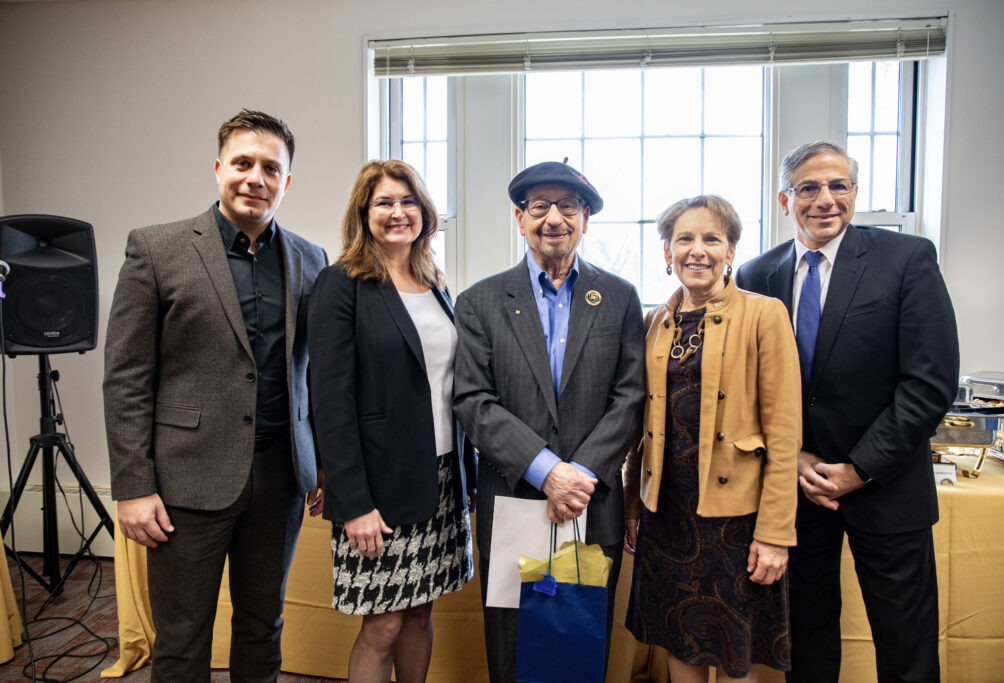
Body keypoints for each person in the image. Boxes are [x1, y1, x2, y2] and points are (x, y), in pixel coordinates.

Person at [103, 109, 328, 681]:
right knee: (181, 640)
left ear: (287, 181)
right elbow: (127, 376)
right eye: (243, 163)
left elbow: (315, 372)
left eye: (271, 168)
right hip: (186, 483)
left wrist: (321, 462)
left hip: (280, 480)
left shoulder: (310, 258)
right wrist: (133, 487)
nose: (256, 178)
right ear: (218, 168)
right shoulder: (156, 249)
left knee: (262, 626)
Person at [735, 141, 959, 682]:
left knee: (906, 647)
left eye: (839, 186)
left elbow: (930, 383)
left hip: (886, 487)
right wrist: (791, 459)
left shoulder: (907, 259)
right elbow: (744, 390)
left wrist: (859, 468)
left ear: (855, 193)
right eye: (809, 187)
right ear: (786, 199)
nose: (825, 199)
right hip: (796, 493)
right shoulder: (755, 274)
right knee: (806, 646)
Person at [453, 160, 645, 682]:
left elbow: (630, 397)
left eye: (568, 206)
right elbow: (473, 400)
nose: (553, 218)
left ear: (586, 218)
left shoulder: (621, 298)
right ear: (520, 219)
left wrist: (577, 474)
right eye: (540, 207)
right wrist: (546, 471)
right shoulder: (479, 302)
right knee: (514, 651)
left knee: (579, 646)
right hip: (515, 500)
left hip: (591, 502)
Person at [307, 159, 475, 683]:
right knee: (382, 623)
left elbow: (451, 386)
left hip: (442, 478)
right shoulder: (341, 284)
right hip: (378, 487)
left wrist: (466, 474)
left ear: (424, 213)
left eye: (408, 202)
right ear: (364, 213)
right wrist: (353, 503)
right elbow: (328, 399)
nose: (398, 212)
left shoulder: (436, 284)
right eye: (384, 202)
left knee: (422, 611)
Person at [623, 195, 801, 683]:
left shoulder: (765, 315)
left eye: (711, 239)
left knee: (732, 651)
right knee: (681, 638)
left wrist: (775, 533)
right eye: (684, 239)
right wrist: (633, 508)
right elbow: (642, 427)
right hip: (667, 512)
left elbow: (785, 435)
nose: (696, 250)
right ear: (666, 251)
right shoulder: (655, 321)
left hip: (736, 519)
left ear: (731, 250)